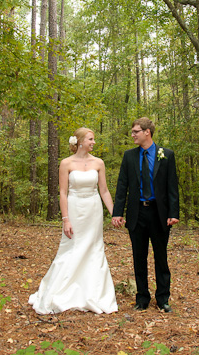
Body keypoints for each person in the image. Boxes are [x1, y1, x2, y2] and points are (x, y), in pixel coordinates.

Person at [29, 128, 118, 314]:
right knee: (71, 247)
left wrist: (114, 213)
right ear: (79, 141)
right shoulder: (66, 163)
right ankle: (62, 291)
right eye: (91, 139)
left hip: (93, 210)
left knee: (94, 248)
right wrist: (65, 219)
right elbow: (63, 193)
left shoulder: (99, 163)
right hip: (75, 208)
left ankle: (94, 293)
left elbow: (104, 191)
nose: (93, 142)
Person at [112, 117, 179, 312]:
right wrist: (118, 212)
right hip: (137, 213)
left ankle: (163, 298)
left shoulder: (166, 155)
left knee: (161, 257)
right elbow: (122, 185)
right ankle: (142, 298)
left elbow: (172, 187)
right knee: (138, 258)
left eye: (136, 132)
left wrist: (173, 213)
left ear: (147, 132)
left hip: (159, 214)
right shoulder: (129, 156)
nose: (133, 135)